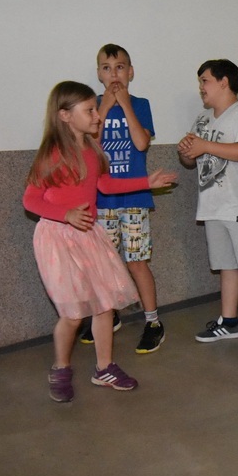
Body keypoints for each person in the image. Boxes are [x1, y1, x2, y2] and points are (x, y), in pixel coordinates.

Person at [23, 81, 177, 402]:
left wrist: (145, 182)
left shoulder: (93, 150)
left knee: (104, 304)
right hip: (58, 238)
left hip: (88, 234)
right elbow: (31, 200)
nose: (97, 116)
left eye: (96, 109)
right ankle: (61, 367)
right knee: (73, 314)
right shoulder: (52, 155)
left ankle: (104, 367)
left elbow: (105, 185)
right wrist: (66, 214)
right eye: (90, 110)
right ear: (65, 115)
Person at [177, 59, 238, 356]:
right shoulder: (202, 119)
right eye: (200, 82)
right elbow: (190, 160)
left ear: (224, 82)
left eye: (205, 81)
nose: (201, 87)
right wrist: (186, 152)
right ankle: (229, 321)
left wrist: (205, 146)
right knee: (227, 267)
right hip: (213, 206)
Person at [83, 44, 165, 354]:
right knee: (104, 264)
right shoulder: (92, 108)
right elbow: (90, 146)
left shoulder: (140, 104)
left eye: (120, 67)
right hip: (102, 200)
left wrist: (125, 104)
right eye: (107, 68)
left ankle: (153, 322)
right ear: (99, 74)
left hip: (134, 198)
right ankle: (109, 315)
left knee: (136, 262)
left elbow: (141, 143)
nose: (114, 74)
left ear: (130, 72)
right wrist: (103, 107)